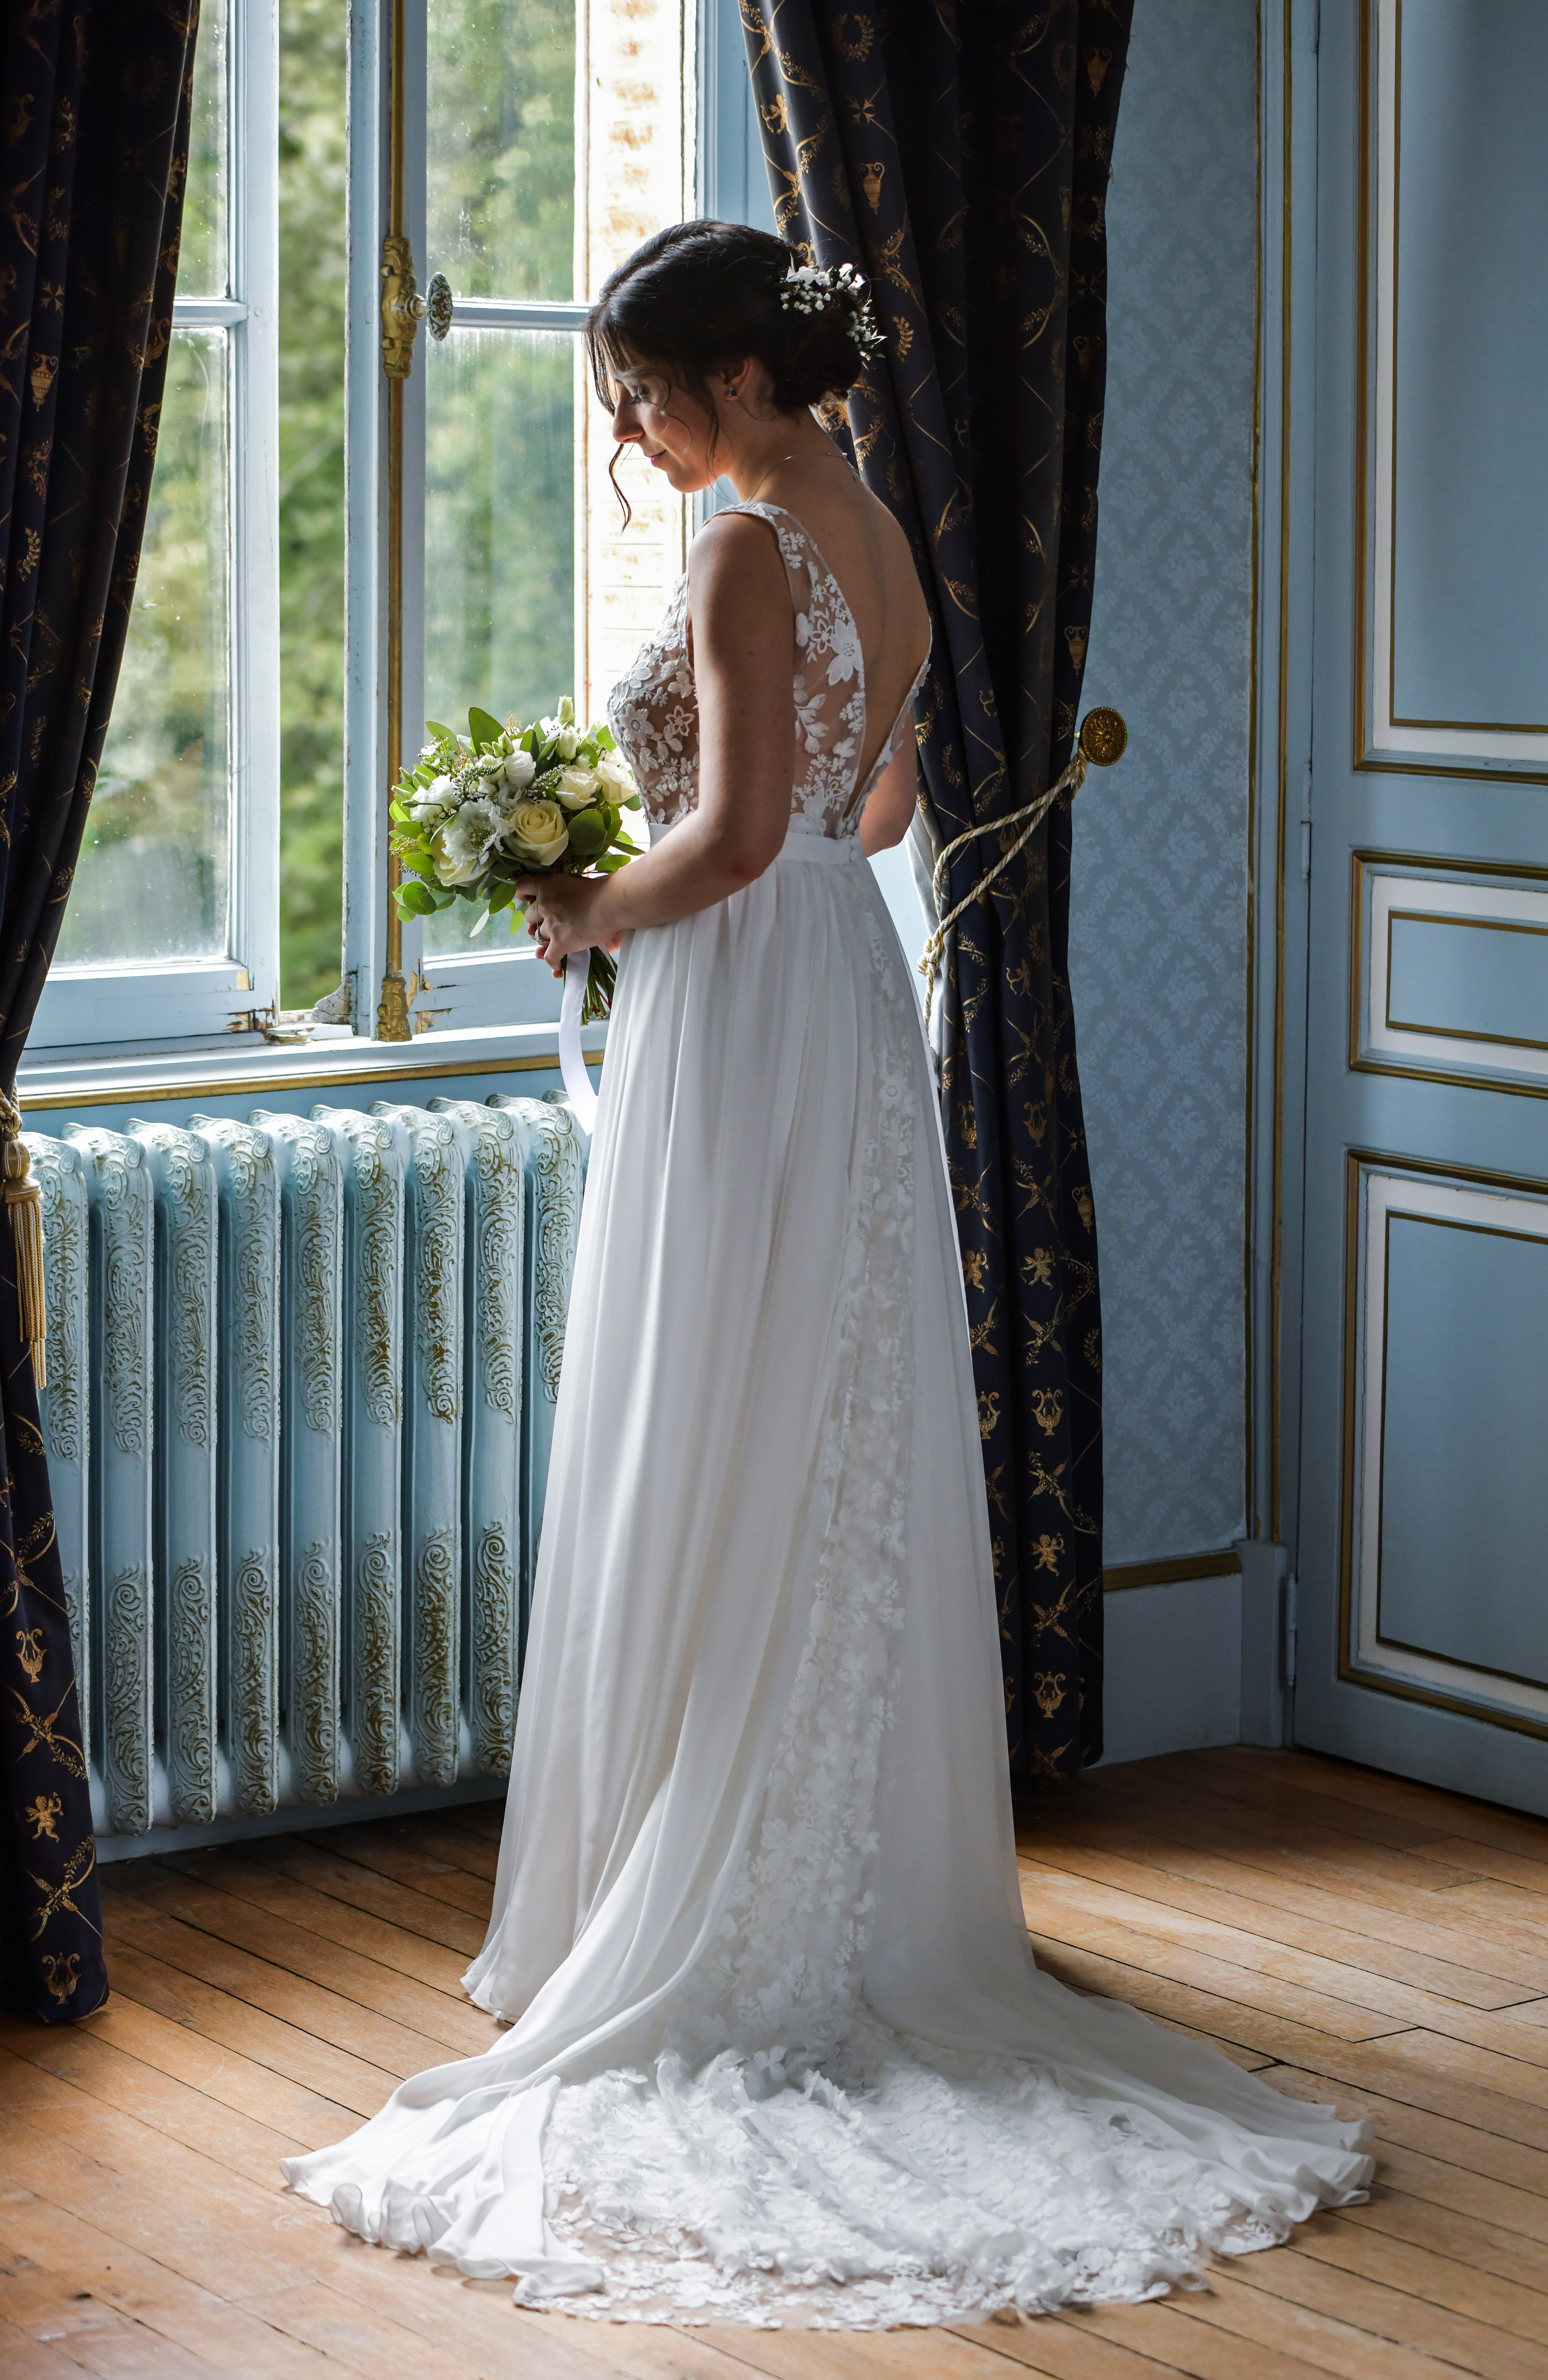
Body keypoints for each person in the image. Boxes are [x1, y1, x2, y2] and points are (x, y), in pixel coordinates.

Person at [283, 219, 1372, 2326]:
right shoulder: (882, 531)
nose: (626, 423)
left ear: (743, 385)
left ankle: (697, 1899)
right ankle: (827, 1874)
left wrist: (594, 898)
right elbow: (874, 823)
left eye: (641, 388)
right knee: (815, 1407)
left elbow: (748, 825)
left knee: (718, 1394)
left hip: (739, 1002)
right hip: (845, 1005)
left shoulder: (745, 548)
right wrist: (667, 855)